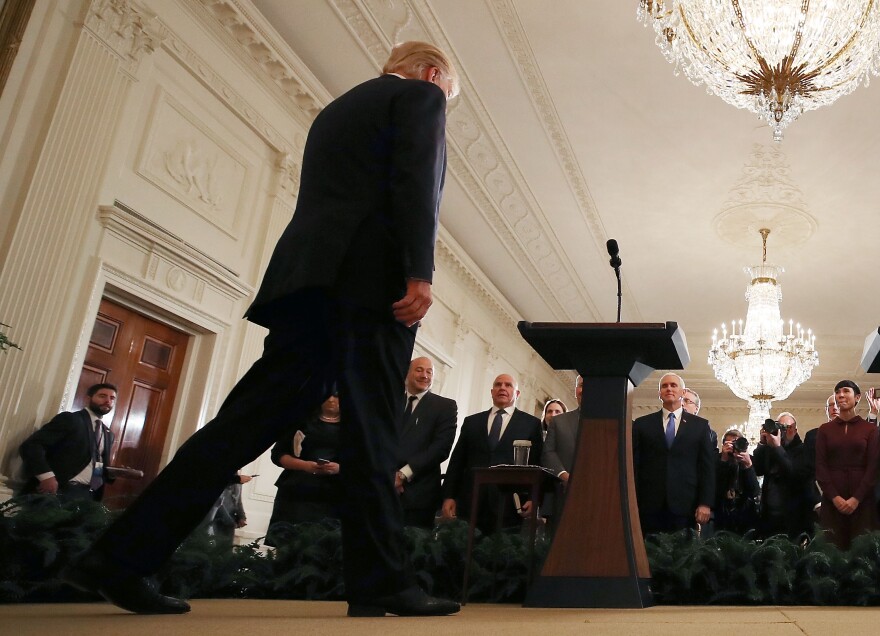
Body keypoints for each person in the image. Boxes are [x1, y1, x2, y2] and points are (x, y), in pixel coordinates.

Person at [62, 41, 461, 617]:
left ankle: (118, 558)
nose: (442, 103)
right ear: (431, 74)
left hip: (307, 285)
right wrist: (418, 272)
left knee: (240, 426)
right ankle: (382, 583)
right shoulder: (421, 96)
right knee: (375, 428)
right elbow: (415, 185)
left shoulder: (337, 109)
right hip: (371, 286)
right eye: (447, 94)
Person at [441, 373, 543, 534]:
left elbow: (536, 463)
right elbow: (457, 461)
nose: (502, 387)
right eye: (498, 384)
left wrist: (533, 497)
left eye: (508, 385)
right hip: (471, 499)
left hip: (508, 502)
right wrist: (449, 496)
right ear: (492, 391)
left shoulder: (531, 424)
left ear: (517, 394)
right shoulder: (472, 422)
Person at [632, 373, 715, 535]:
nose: (669, 388)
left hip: (686, 505)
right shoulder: (642, 424)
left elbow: (707, 467)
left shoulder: (700, 426)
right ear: (659, 394)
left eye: (673, 385)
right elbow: (635, 464)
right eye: (664, 386)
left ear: (683, 393)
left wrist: (705, 503)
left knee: (683, 556)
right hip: (649, 504)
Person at [19, 383, 117, 502]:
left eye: (112, 398)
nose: (108, 401)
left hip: (89, 495)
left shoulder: (108, 433)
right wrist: (46, 477)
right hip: (60, 491)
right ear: (88, 399)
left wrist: (112, 473)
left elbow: (95, 462)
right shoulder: (70, 419)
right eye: (102, 396)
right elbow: (32, 445)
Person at [265, 395, 343, 546]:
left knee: (323, 549)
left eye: (337, 396)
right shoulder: (301, 421)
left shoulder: (355, 429)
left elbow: (363, 461)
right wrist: (305, 465)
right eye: (328, 395)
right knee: (288, 547)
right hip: (296, 491)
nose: (331, 400)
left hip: (332, 495)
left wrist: (339, 468)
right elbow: (278, 454)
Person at [816, 380, 880, 549]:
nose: (841, 395)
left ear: (857, 397)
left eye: (846, 391)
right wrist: (835, 498)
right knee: (831, 550)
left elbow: (873, 466)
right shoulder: (824, 430)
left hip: (863, 501)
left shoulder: (870, 429)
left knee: (862, 551)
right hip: (832, 501)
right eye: (837, 392)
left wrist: (856, 499)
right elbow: (820, 467)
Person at [396, 357, 458, 528]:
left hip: (418, 495)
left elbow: (441, 448)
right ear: (407, 373)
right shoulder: (391, 401)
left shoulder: (445, 406)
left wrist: (402, 474)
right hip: (382, 488)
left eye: (429, 372)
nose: (425, 375)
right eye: (419, 370)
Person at [753, 412, 813, 538]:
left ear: (795, 430)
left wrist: (778, 448)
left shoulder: (803, 449)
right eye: (780, 427)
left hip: (794, 517)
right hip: (769, 516)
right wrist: (762, 444)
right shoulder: (770, 449)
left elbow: (795, 474)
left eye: (787, 427)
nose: (783, 432)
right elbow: (757, 470)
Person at [714, 429, 759, 534]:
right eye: (730, 444)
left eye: (737, 443)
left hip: (744, 513)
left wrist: (748, 465)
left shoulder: (749, 460)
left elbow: (754, 491)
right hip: (721, 511)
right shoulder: (717, 459)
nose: (734, 447)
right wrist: (724, 460)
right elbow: (715, 487)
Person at [542, 376, 582, 484]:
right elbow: (548, 451)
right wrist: (563, 475)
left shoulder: (610, 422)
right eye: (581, 386)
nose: (584, 390)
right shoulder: (558, 421)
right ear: (575, 390)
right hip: (562, 489)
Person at [204, 473, 251, 547]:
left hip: (229, 519)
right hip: (215, 517)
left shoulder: (239, 480)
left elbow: (238, 501)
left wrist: (242, 517)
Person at [682, 388, 718, 454]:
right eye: (680, 400)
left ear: (696, 408)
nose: (682, 404)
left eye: (687, 401)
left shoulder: (710, 434)